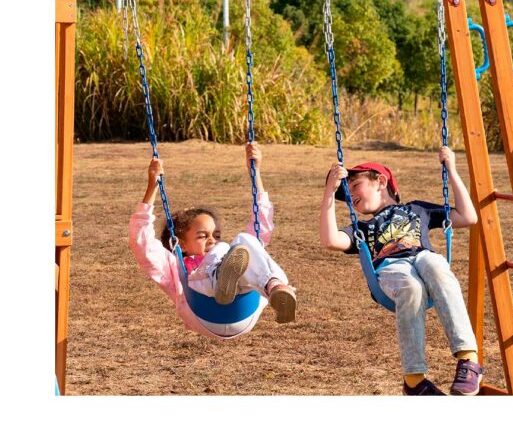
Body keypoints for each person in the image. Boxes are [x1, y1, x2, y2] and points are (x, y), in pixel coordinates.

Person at [319, 146, 482, 395]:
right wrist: (329, 192)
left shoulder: (417, 209)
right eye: (346, 193)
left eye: (354, 186)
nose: (350, 196)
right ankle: (415, 380)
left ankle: (468, 359)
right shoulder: (362, 228)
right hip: (391, 269)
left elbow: (468, 217)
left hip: (423, 257)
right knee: (411, 287)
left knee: (435, 266)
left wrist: (452, 169)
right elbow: (331, 240)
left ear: (381, 181)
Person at [128, 142, 297, 340]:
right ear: (181, 244)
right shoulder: (174, 265)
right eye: (202, 236)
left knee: (246, 240)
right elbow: (141, 242)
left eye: (215, 235)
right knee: (226, 249)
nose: (212, 240)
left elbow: (263, 225)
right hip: (205, 314)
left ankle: (274, 287)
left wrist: (256, 172)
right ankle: (220, 280)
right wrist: (151, 188)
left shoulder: (230, 256)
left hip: (243, 310)